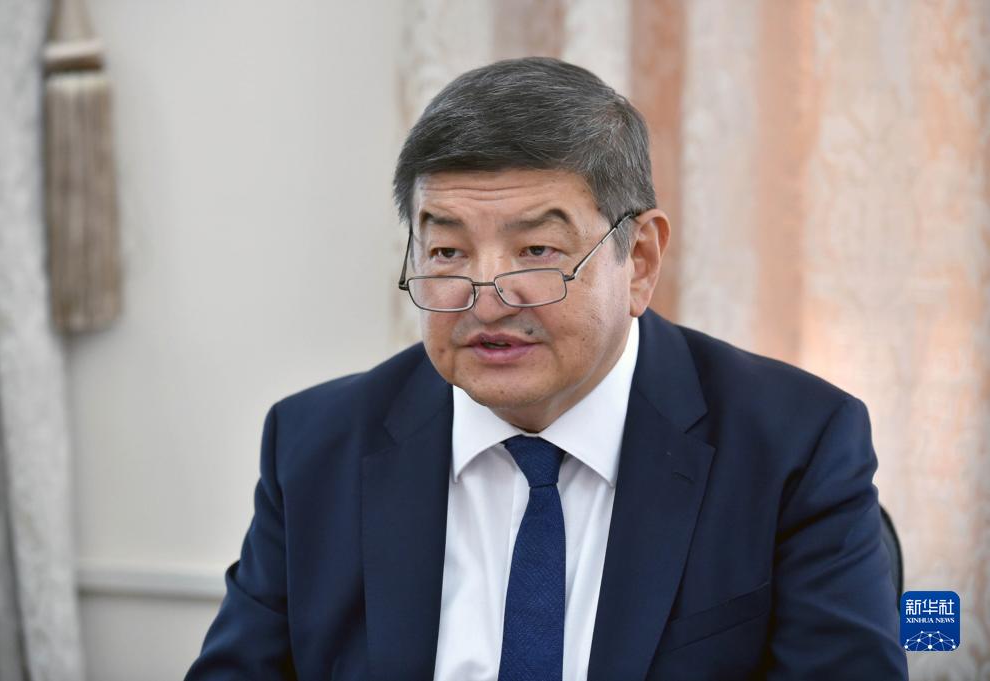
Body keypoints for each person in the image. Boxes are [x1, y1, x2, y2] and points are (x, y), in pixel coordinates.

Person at [185, 57, 907, 680]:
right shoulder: (315, 446)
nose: (486, 299)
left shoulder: (792, 445)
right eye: (447, 253)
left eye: (537, 251)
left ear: (640, 261)